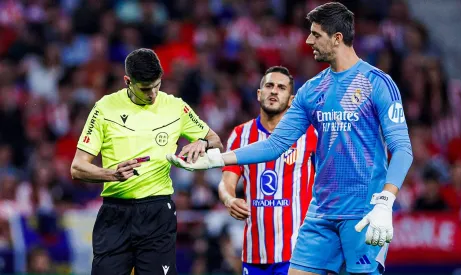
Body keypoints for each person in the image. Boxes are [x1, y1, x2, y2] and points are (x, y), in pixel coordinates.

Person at [167, 2, 413, 275]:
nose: (308, 41)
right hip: (320, 214)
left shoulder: (376, 82)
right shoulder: (312, 89)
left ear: (337, 38)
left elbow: (402, 148)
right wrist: (218, 159)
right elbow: (275, 143)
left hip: (363, 211)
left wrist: (385, 202)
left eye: (316, 34)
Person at [70, 48, 223, 275]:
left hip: (157, 213)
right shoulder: (104, 108)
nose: (153, 94)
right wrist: (111, 174)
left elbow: (215, 140)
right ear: (127, 81)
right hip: (115, 212)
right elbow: (77, 167)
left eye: (157, 85)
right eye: (145, 88)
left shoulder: (176, 107)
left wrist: (203, 143)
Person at [219, 66, 317, 275]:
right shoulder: (240, 134)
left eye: (281, 88)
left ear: (291, 99)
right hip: (255, 254)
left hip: (298, 254)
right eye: (269, 86)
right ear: (259, 93)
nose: (274, 91)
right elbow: (226, 182)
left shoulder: (310, 134)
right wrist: (230, 200)